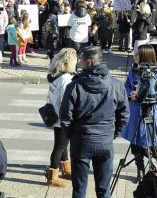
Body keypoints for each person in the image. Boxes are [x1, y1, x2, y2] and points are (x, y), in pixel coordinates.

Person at [59, 46, 129, 198]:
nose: (79, 64)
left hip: (81, 141)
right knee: (104, 190)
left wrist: (73, 135)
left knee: (79, 189)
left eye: (82, 61)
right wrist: (112, 134)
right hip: (105, 140)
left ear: (89, 63)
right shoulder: (116, 85)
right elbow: (124, 115)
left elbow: (65, 118)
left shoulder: (74, 86)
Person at [120, 45, 157, 182]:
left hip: (149, 113)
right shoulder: (133, 71)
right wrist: (131, 94)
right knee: (135, 142)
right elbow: (126, 86)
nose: (135, 57)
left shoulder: (156, 73)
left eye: (137, 55)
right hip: (135, 111)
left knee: (151, 141)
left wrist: (146, 97)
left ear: (145, 56)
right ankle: (139, 169)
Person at [45, 48, 77, 188]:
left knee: (63, 146)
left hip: (55, 115)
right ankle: (52, 177)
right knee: (59, 147)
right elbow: (67, 101)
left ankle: (66, 170)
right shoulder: (66, 79)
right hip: (62, 118)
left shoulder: (56, 75)